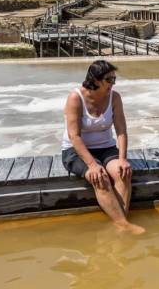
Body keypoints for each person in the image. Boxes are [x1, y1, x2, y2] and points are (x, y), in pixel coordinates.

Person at [62, 60, 144, 234]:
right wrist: (92, 165)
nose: (113, 84)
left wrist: (122, 159)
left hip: (105, 148)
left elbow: (121, 130)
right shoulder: (76, 98)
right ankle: (124, 224)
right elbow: (74, 136)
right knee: (100, 177)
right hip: (77, 151)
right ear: (96, 80)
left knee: (122, 173)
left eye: (114, 79)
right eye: (109, 80)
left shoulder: (114, 97)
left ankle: (121, 223)